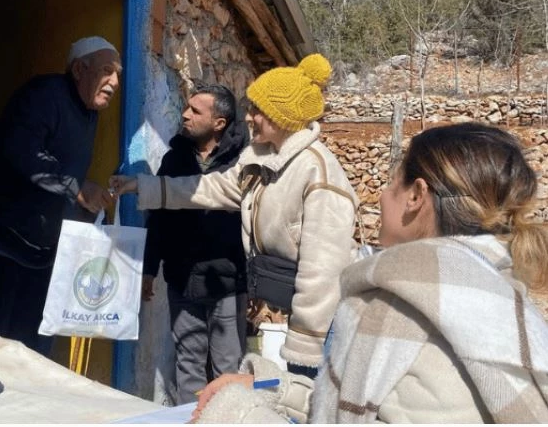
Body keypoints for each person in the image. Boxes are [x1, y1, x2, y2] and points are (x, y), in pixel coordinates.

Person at [189, 122, 548, 424]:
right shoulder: (499, 295)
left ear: (416, 196)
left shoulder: (397, 307)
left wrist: (235, 413)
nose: (381, 195)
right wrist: (270, 387)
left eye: (393, 183)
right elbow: (358, 406)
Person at [110, 54, 359, 379]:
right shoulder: (260, 161)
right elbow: (209, 188)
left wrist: (304, 343)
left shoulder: (317, 172)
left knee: (309, 399)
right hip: (294, 311)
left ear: (281, 117)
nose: (249, 117)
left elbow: (323, 269)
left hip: (318, 327)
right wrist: (143, 186)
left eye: (258, 110)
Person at [0, 36, 122, 355]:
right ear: (80, 69)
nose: (114, 82)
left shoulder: (89, 113)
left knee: (30, 352)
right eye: (107, 71)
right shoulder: (45, 94)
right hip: (5, 246)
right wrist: (76, 187)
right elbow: (21, 151)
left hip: (44, 255)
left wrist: (88, 206)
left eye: (118, 75)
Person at [142, 84, 249, 404]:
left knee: (228, 367)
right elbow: (158, 217)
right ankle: (191, 418)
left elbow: (257, 220)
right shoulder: (175, 159)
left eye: (195, 111)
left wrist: (256, 282)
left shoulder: (242, 162)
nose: (185, 114)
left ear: (219, 123)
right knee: (188, 364)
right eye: (186, 107)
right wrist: (149, 269)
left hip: (227, 283)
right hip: (182, 279)